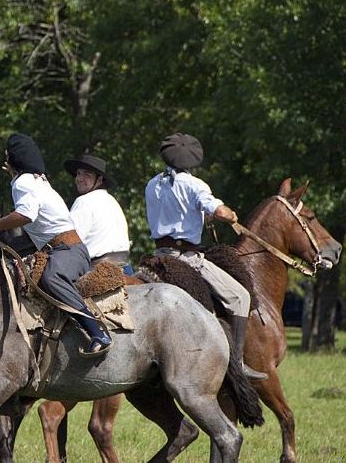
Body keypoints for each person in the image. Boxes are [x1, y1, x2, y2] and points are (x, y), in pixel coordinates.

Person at [145, 133, 268, 380]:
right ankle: (236, 363)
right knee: (240, 297)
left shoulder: (152, 184)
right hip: (186, 257)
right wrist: (230, 215)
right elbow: (219, 212)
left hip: (160, 254)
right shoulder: (195, 185)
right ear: (192, 160)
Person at [0, 133, 111, 355]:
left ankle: (96, 331)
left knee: (51, 277)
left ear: (13, 160)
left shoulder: (23, 182)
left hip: (68, 251)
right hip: (65, 249)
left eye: (7, 156)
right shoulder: (35, 180)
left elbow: (25, 215)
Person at [63, 154, 133, 274]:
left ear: (99, 180)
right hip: (125, 268)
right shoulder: (112, 200)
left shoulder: (84, 201)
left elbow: (70, 242)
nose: (79, 178)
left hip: (97, 271)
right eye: (78, 173)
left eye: (87, 174)